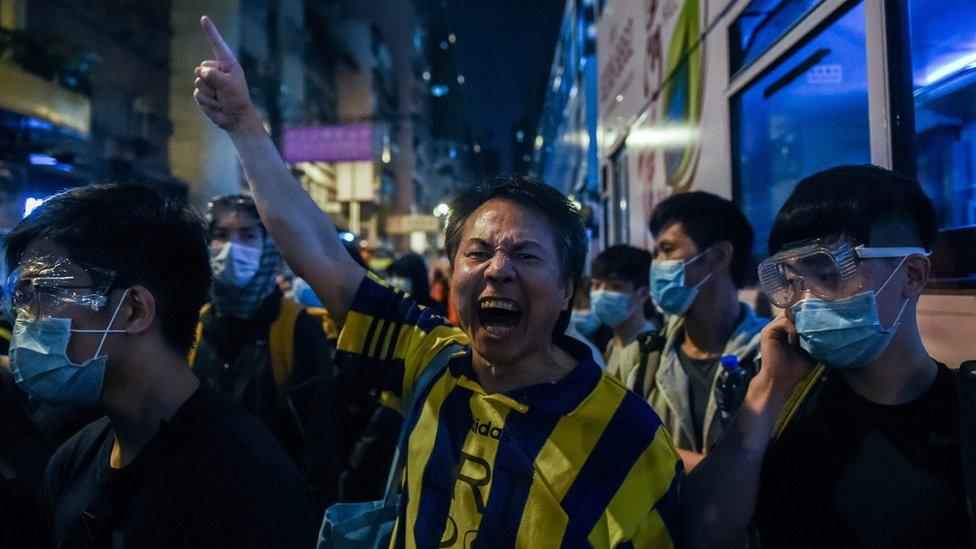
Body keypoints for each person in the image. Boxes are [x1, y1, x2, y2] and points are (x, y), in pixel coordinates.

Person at [194, 15, 682, 546]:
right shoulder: (427, 359)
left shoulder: (627, 437)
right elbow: (320, 255)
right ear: (452, 276)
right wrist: (243, 123)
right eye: (478, 252)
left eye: (524, 253)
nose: (498, 269)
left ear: (569, 286)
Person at [5, 183, 315, 546]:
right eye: (22, 298)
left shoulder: (248, 487)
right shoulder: (76, 459)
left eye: (46, 292)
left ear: (135, 309)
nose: (25, 319)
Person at [683, 165, 972, 547]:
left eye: (827, 274)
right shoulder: (776, 400)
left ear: (913, 274)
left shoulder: (965, 411)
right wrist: (768, 389)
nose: (804, 301)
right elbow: (702, 532)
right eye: (791, 280)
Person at [190, 193, 342, 510]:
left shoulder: (295, 328)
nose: (232, 248)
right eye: (221, 236)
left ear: (267, 246)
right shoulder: (196, 325)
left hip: (277, 513)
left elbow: (320, 445)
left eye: (247, 236)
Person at [619, 192, 768, 470]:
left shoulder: (770, 359)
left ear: (719, 256)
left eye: (668, 250)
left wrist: (660, 454)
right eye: (656, 253)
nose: (657, 265)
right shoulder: (641, 359)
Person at [591, 245, 660, 380]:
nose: (602, 294)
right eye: (597, 285)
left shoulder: (653, 350)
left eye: (615, 286)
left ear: (643, 293)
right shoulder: (610, 346)